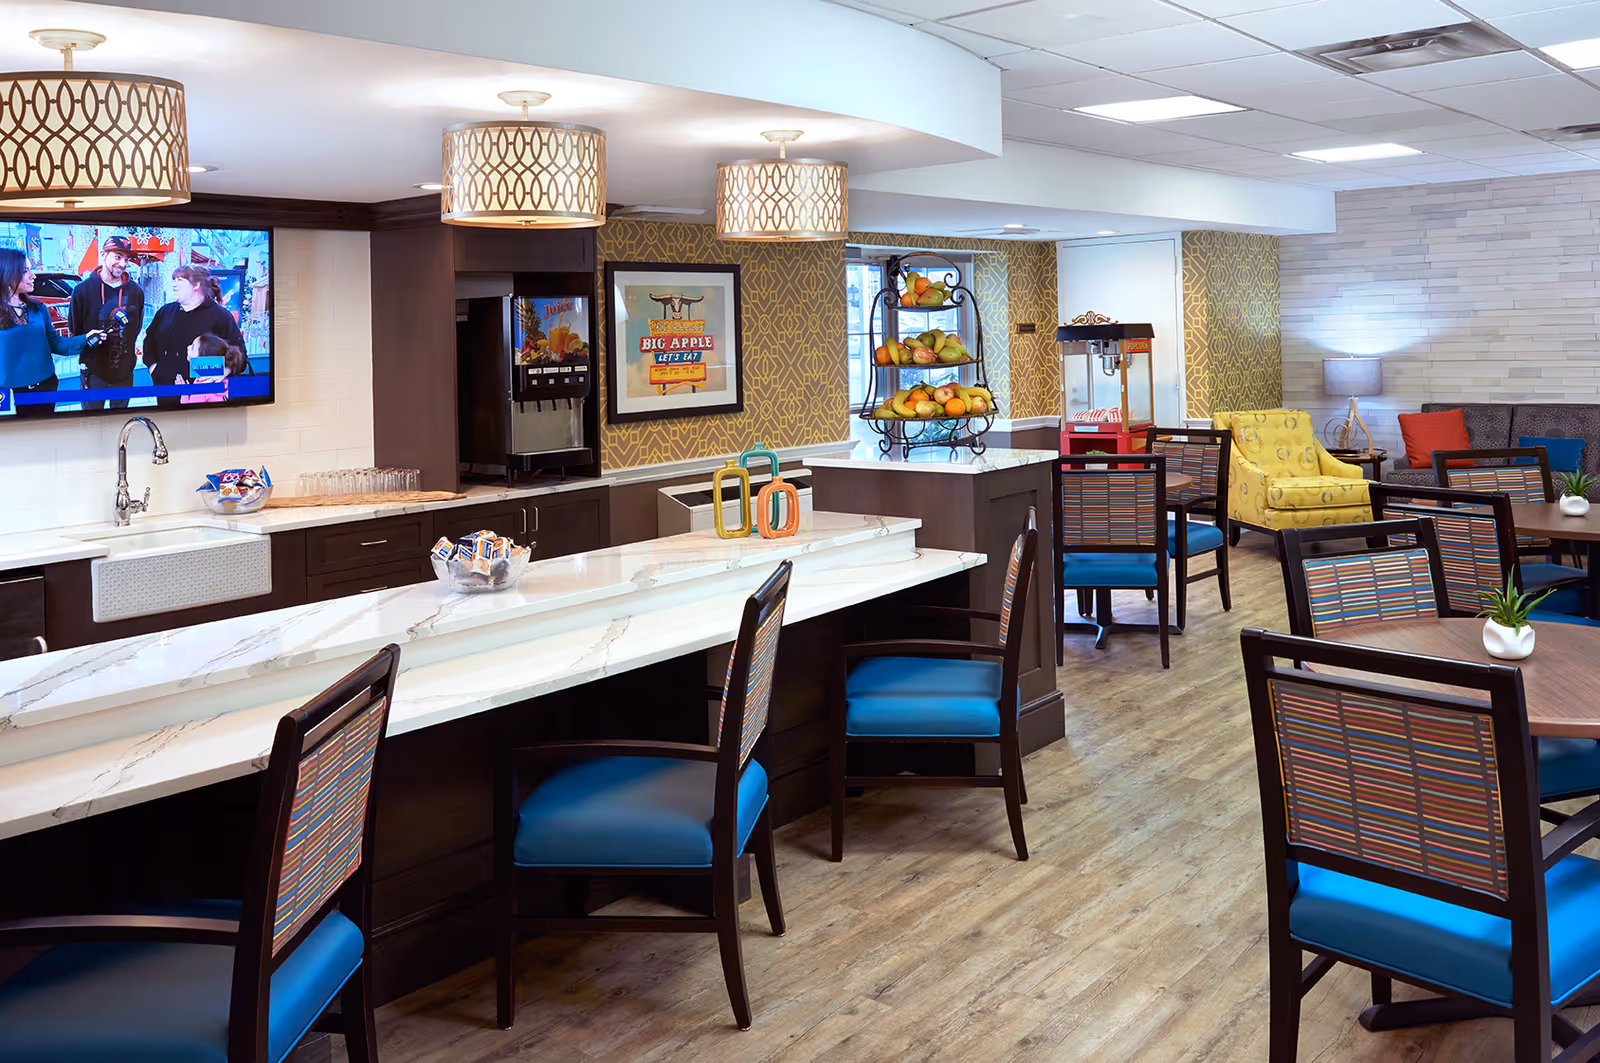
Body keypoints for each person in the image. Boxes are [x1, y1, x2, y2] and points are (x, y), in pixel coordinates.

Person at [0, 248, 103, 418]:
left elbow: (54, 342)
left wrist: (85, 339)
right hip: (8, 394)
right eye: (25, 271)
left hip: (45, 387)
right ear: (7, 274)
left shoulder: (38, 308)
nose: (33, 275)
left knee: (45, 431)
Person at [142, 265, 247, 411]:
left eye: (180, 280)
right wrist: (154, 369)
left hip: (203, 399)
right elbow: (149, 342)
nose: (174, 285)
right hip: (166, 393)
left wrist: (226, 370)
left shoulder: (221, 316)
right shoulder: (165, 311)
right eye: (174, 280)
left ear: (196, 285)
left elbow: (240, 355)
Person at [71, 234, 146, 412]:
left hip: (124, 372)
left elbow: (135, 328)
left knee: (120, 420)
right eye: (118, 257)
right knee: (91, 421)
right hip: (93, 372)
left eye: (126, 259)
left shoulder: (136, 292)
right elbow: (75, 330)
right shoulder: (82, 291)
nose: (123, 263)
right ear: (103, 255)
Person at [178, 332, 252, 405]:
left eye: (193, 348)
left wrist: (184, 394)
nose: (188, 347)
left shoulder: (201, 390)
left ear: (204, 359)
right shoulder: (225, 383)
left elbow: (191, 411)